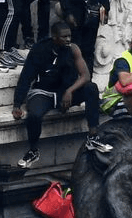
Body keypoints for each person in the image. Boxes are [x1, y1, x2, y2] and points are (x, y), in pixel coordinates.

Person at [12, 21, 94, 169]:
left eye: (69, 36)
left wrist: (69, 91)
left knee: (91, 88)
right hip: (43, 92)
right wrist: (17, 104)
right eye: (64, 37)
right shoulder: (39, 50)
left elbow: (85, 76)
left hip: (65, 93)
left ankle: (93, 137)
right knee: (35, 115)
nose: (68, 40)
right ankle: (33, 151)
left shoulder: (73, 49)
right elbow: (25, 78)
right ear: (54, 37)